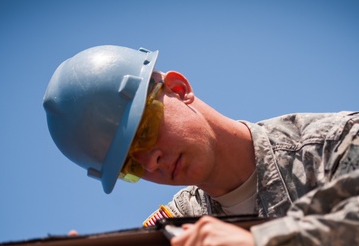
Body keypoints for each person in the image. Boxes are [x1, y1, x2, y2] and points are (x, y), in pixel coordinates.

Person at [43, 45, 359, 246]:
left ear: (179, 89)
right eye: (132, 166)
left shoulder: (336, 142)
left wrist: (258, 243)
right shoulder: (174, 225)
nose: (152, 163)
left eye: (145, 133)